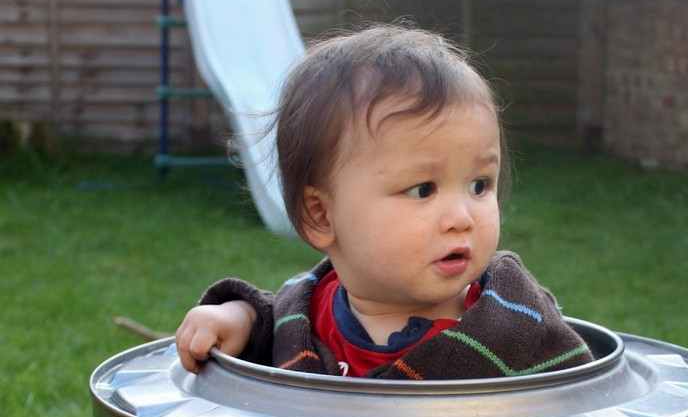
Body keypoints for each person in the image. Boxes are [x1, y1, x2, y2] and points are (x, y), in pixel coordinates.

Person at [175, 24, 592, 380]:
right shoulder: (305, 314)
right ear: (321, 215)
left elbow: (578, 413)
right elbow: (272, 329)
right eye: (423, 190)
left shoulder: (516, 323)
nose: (462, 218)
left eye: (479, 185)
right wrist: (241, 319)